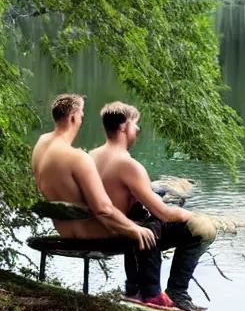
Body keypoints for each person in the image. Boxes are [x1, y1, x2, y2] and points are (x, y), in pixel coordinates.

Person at [89, 101, 216, 311]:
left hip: (102, 227)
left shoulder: (91, 157)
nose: (138, 129)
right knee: (202, 230)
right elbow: (164, 213)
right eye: (135, 124)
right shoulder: (128, 165)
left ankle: (138, 288)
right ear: (123, 127)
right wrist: (188, 214)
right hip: (124, 232)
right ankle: (171, 292)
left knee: (146, 221)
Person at [31, 93, 156, 250]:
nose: (81, 121)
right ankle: (149, 275)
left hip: (64, 230)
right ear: (73, 118)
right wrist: (133, 228)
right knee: (157, 221)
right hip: (93, 233)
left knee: (152, 192)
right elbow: (103, 210)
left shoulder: (41, 145)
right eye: (81, 116)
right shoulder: (77, 158)